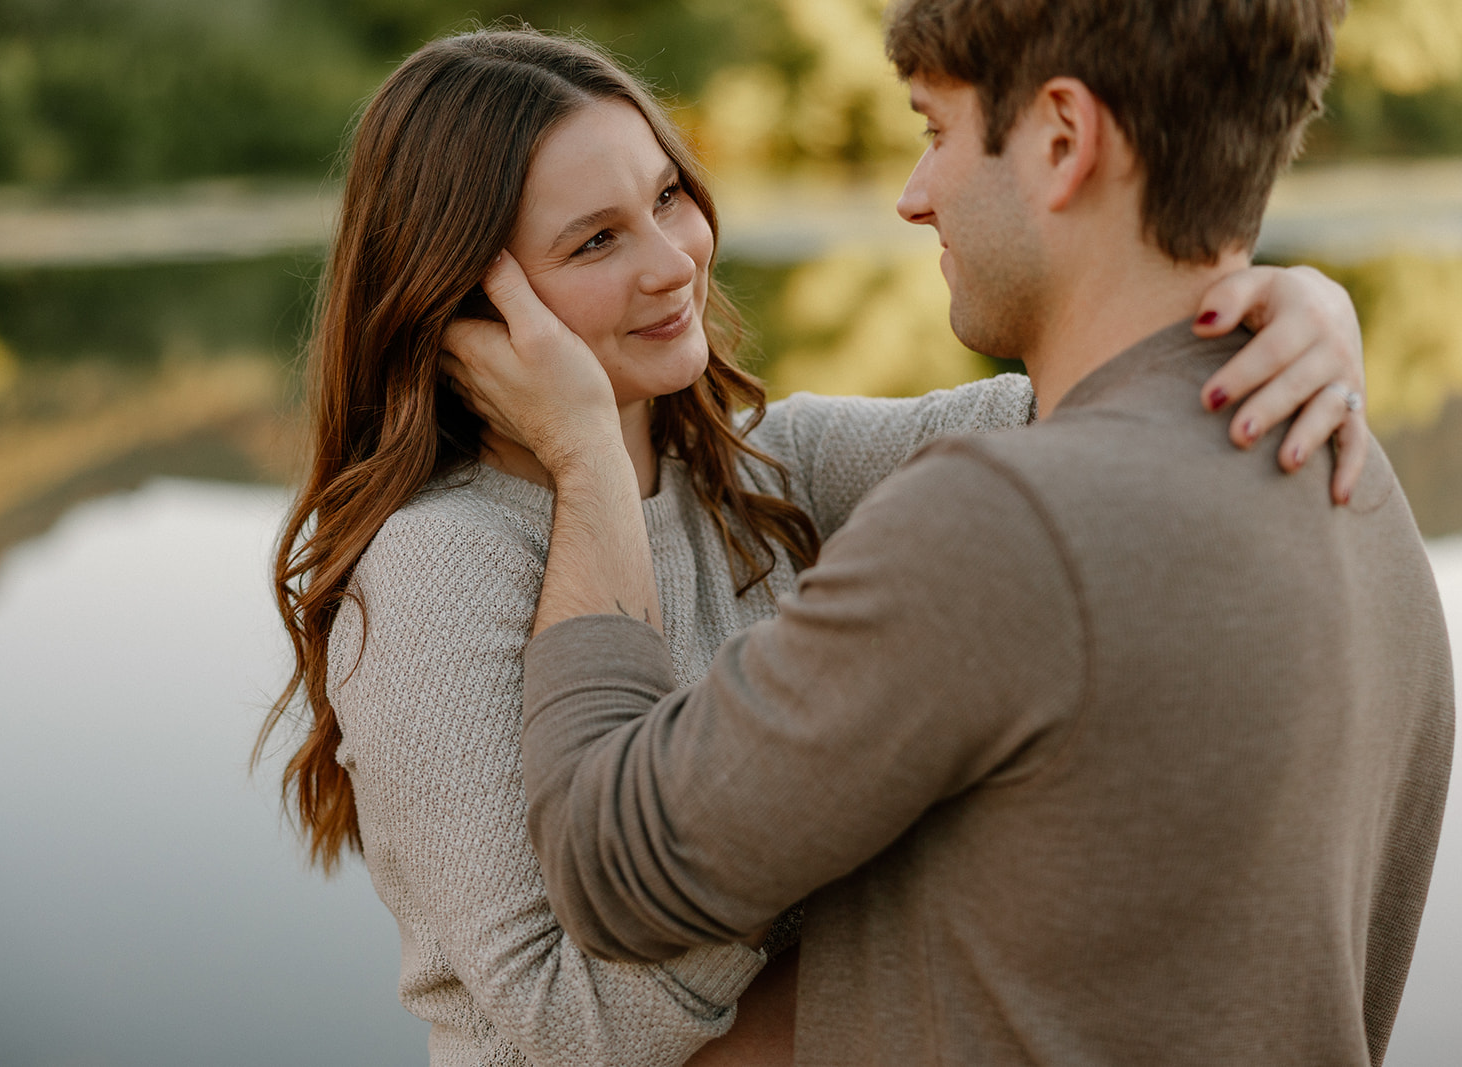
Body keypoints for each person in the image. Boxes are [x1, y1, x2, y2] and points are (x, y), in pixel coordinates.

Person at [262, 26, 1380, 1067]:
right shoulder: (434, 564)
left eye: (667, 197)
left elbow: (1081, 418)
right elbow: (561, 1023)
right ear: (467, 304)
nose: (670, 262)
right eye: (596, 240)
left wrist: (1282, 304)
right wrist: (584, 462)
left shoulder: (769, 471)